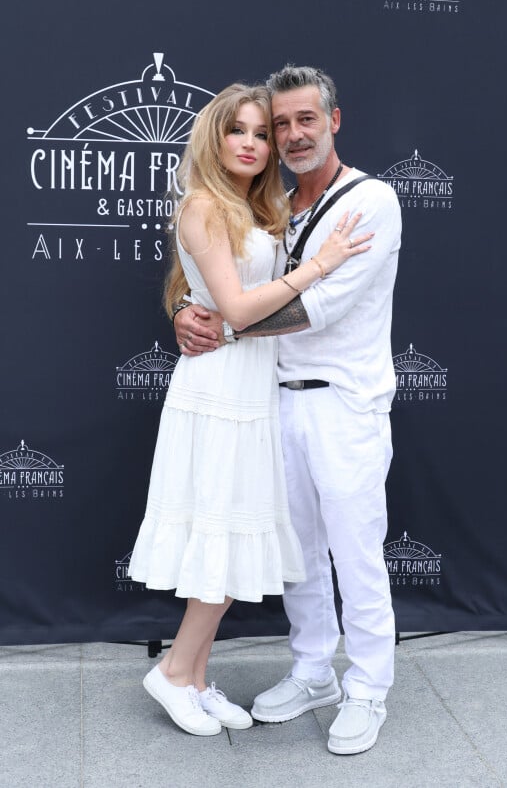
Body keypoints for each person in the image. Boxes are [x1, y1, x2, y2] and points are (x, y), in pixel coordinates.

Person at [128, 82, 372, 738]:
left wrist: (191, 305)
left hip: (250, 388)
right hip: (218, 392)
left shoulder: (247, 208)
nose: (253, 144)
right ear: (215, 136)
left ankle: (197, 677)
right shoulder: (204, 204)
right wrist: (317, 265)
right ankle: (176, 672)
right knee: (220, 533)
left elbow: (214, 296)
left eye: (262, 134)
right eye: (240, 130)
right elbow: (235, 309)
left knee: (236, 534)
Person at [174, 65, 402, 755]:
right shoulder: (276, 206)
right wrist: (189, 307)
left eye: (307, 120)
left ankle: (367, 687)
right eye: (281, 125)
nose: (292, 135)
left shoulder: (373, 201)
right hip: (273, 402)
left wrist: (221, 323)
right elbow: (228, 277)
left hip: (345, 405)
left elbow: (312, 308)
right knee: (299, 555)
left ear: (334, 120)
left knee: (356, 552)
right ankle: (313, 673)